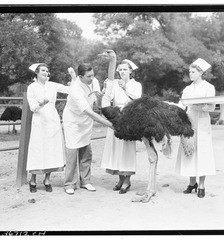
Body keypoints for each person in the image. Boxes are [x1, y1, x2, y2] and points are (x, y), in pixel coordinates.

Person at [62, 61, 114, 195]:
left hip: (86, 121)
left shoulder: (94, 81)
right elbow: (89, 111)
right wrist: (109, 124)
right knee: (72, 153)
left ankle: (85, 181)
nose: (92, 78)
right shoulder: (75, 89)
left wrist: (103, 99)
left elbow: (97, 102)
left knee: (86, 151)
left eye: (92, 75)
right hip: (73, 121)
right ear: (80, 77)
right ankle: (70, 183)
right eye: (88, 76)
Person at [26, 63, 72, 193]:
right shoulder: (32, 87)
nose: (46, 73)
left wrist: (73, 78)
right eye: (43, 71)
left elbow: (69, 90)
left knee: (51, 148)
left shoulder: (53, 85)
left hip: (52, 119)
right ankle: (33, 179)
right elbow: (32, 106)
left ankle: (47, 179)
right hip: (39, 119)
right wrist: (41, 103)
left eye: (47, 71)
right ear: (37, 73)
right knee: (38, 148)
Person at [101, 52, 142, 194]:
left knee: (127, 148)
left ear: (131, 71)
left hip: (129, 115)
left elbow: (137, 101)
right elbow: (108, 97)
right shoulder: (115, 84)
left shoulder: (136, 85)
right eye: (120, 69)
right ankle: (119, 178)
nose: (122, 71)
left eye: (125, 69)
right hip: (116, 115)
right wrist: (106, 88)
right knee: (116, 148)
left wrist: (125, 88)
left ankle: (127, 180)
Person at [175, 58, 216, 198]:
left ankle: (202, 184)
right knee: (189, 150)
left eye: (193, 72)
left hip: (203, 122)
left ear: (200, 72)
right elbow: (182, 105)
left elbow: (212, 106)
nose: (190, 74)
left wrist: (201, 106)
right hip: (189, 121)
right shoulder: (187, 89)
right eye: (189, 72)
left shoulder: (209, 87)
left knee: (202, 153)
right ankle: (192, 183)